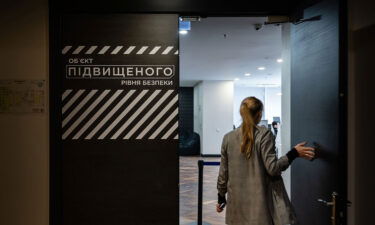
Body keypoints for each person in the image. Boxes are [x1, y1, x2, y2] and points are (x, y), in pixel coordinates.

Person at [216, 97, 315, 225]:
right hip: (260, 209)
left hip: (236, 209)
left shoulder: (228, 138)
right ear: (259, 114)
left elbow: (223, 172)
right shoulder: (264, 134)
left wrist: (221, 196)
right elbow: (273, 168)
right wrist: (293, 153)